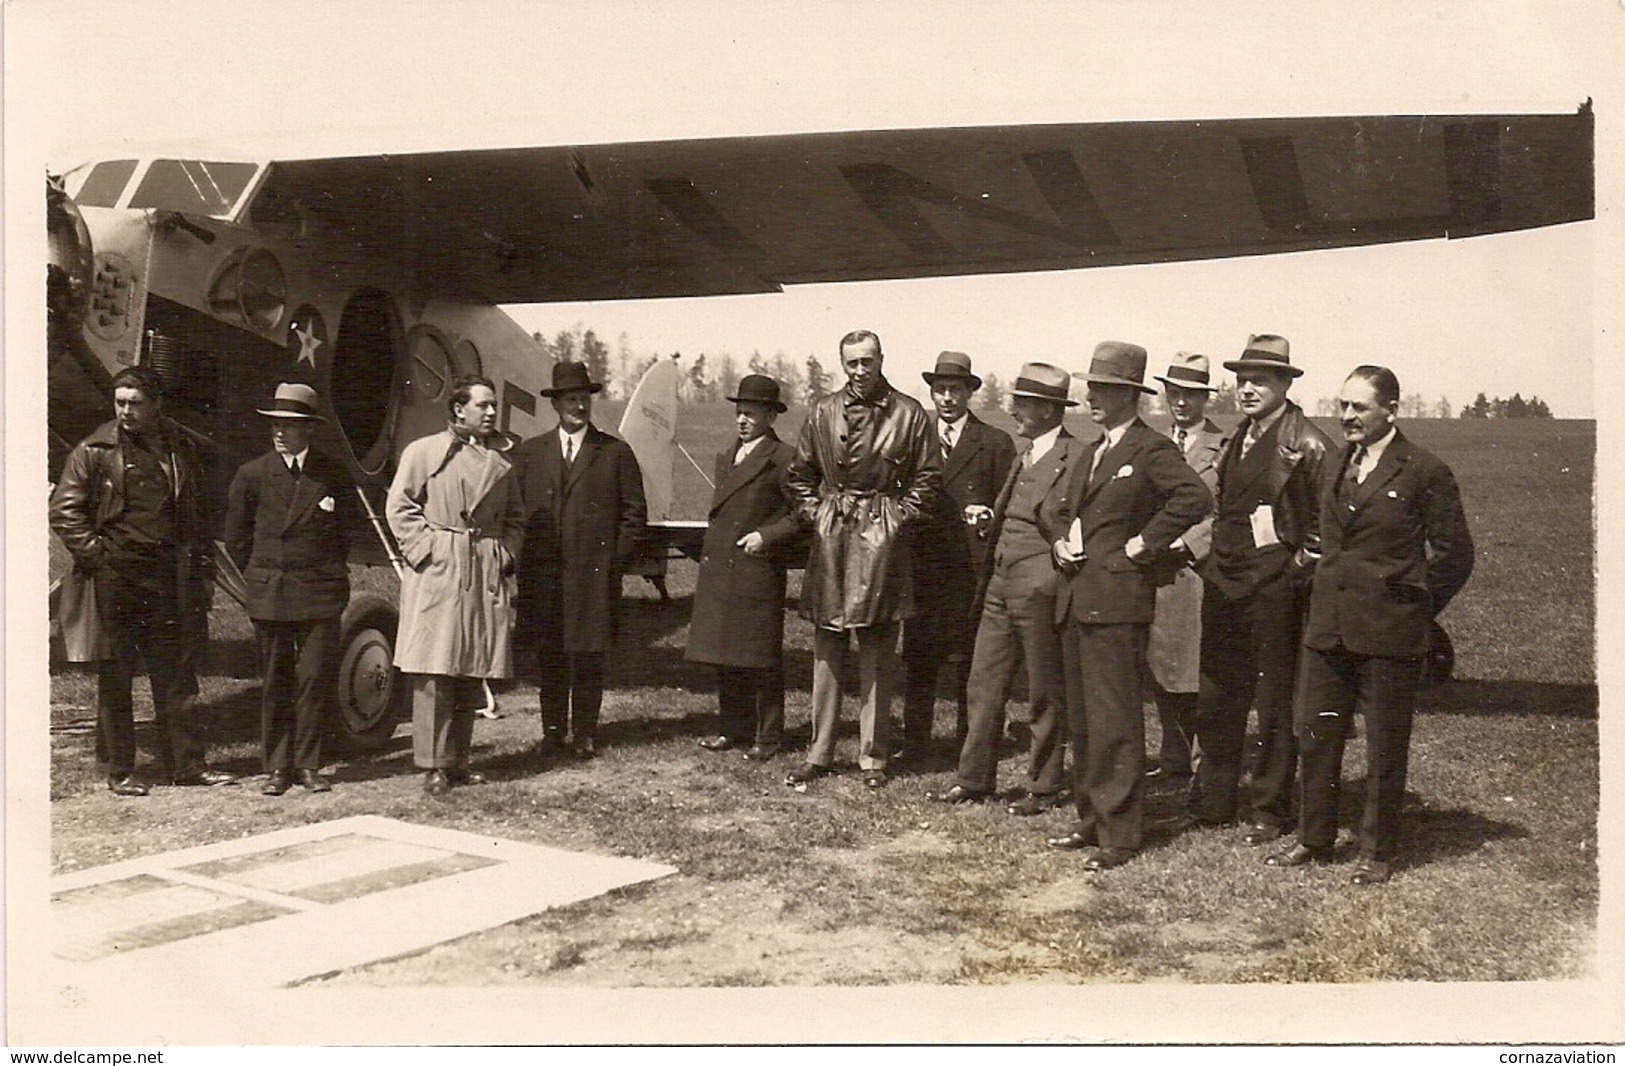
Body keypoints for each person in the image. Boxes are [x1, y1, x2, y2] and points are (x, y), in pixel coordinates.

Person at [1264, 365, 1473, 885]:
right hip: (1328, 627)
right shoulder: (1335, 462)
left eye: (1359, 407)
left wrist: (1414, 608)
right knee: (1315, 732)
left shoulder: (1424, 470)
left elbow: (1454, 555)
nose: (1347, 417)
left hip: (1388, 633)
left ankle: (1377, 851)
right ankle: (1314, 837)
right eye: (1342, 406)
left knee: (1384, 743)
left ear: (1391, 411)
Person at [1046, 343, 1211, 870]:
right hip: (1077, 596)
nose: (1091, 396)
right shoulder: (1095, 448)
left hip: (1117, 602)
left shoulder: (1150, 447)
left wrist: (1144, 544)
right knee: (1085, 721)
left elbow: (1194, 499)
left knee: (1115, 719)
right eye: (1091, 387)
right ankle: (1092, 818)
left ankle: (1121, 832)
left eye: (1103, 389)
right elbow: (1065, 508)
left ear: (1129, 395)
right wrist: (1061, 538)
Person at [50, 366, 238, 794]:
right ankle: (120, 771)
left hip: (169, 578)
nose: (126, 412)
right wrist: (99, 556)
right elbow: (64, 509)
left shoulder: (179, 445)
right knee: (116, 676)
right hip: (116, 579)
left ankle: (187, 766)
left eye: (135, 403)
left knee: (175, 675)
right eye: (120, 402)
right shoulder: (95, 449)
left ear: (156, 405)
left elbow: (197, 507)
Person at [1189, 334, 1331, 846]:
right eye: (1242, 380)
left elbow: (1324, 529)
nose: (1247, 389)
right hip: (1224, 581)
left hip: (1274, 591)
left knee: (1273, 703)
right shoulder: (1236, 437)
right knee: (1218, 696)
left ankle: (1270, 809)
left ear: (1284, 384)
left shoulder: (1310, 443)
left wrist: (1290, 574)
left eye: (1259, 381)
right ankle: (1216, 799)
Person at [785, 329, 942, 789]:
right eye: (851, 363)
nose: (859, 371)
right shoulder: (822, 411)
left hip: (882, 542)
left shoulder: (909, 414)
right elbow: (799, 476)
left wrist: (894, 517)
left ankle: (873, 757)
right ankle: (820, 751)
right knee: (827, 648)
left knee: (877, 649)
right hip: (833, 537)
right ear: (842, 363)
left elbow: (928, 480)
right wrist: (819, 514)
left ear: (881, 360)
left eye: (867, 361)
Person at [925, 363, 1083, 813]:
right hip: (998, 581)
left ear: (1050, 411)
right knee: (984, 683)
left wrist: (1054, 566)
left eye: (1025, 404)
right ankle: (973, 779)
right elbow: (1022, 509)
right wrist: (991, 517)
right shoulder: (1025, 452)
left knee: (1043, 691)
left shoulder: (1076, 457)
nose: (1014, 409)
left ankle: (1043, 785)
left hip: (1039, 586)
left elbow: (1073, 520)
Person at [386, 374, 524, 795]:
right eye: (482, 405)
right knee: (434, 668)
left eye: (492, 405)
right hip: (439, 569)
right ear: (458, 409)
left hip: (481, 568)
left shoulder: (501, 463)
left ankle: (459, 760)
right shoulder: (424, 452)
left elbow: (516, 518)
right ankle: (433, 765)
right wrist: (427, 551)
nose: (490, 412)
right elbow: (399, 506)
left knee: (470, 665)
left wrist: (504, 554)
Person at [511, 361, 647, 759]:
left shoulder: (614, 452)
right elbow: (516, 513)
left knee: (588, 657)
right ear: (556, 405)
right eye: (570, 399)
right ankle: (553, 732)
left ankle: (585, 732)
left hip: (593, 577)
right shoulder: (531, 453)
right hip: (543, 579)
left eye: (583, 398)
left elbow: (635, 516)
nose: (578, 406)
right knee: (550, 657)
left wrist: (612, 563)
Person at [224, 383, 353, 795]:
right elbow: (237, 539)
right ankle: (278, 767)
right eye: (276, 424)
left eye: (290, 425)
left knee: (314, 679)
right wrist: (264, 574)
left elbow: (345, 533)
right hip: (272, 591)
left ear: (309, 430)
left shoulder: (331, 473)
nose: (280, 432)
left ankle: (309, 764)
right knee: (277, 680)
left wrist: (322, 569)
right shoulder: (253, 474)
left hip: (318, 591)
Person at [900, 351, 1016, 760]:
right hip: (924, 567)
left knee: (973, 663)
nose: (947, 398)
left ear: (970, 393)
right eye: (939, 390)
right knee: (919, 661)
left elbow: (1009, 504)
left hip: (971, 569)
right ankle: (914, 744)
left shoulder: (995, 443)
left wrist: (987, 516)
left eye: (955, 389)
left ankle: (971, 744)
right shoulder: (914, 440)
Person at [685, 375, 803, 761]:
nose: (742, 420)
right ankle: (731, 729)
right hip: (723, 567)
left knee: (760, 658)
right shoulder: (727, 455)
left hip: (757, 568)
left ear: (770, 415)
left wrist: (766, 537)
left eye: (751, 413)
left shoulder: (783, 458)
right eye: (739, 412)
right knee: (726, 654)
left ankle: (768, 738)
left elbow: (803, 514)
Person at [1145, 353, 1228, 782]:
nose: (1180, 403)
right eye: (1174, 393)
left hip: (1197, 573)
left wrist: (1187, 543)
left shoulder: (1222, 449)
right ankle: (1172, 756)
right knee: (1161, 667)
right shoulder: (1155, 444)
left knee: (1194, 670)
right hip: (1154, 573)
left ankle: (1201, 762)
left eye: (1190, 395)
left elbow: (1226, 512)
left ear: (1204, 399)